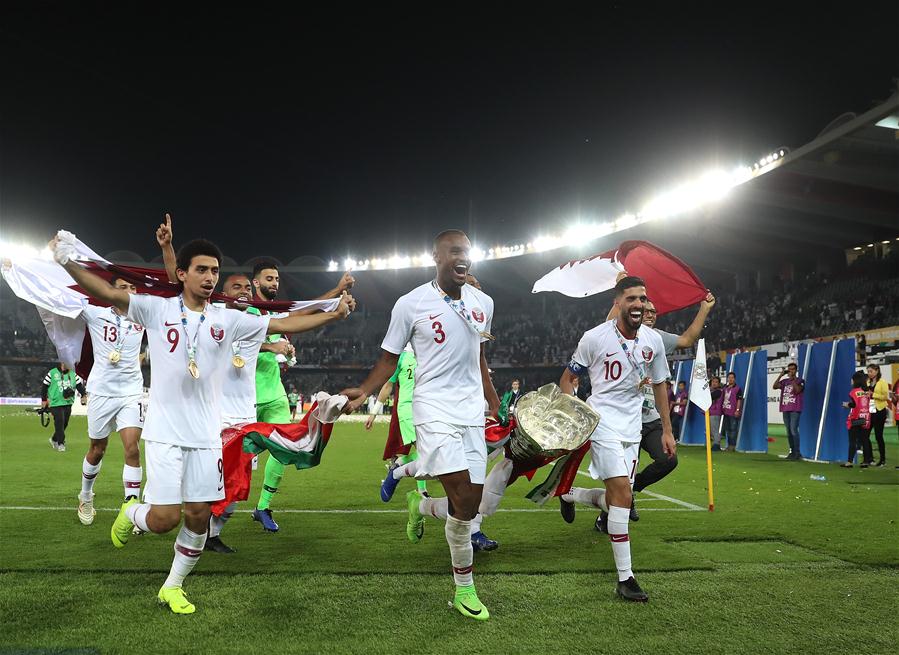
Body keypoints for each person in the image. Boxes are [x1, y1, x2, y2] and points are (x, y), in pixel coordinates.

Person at [51, 232, 354, 614]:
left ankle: (172, 586)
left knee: (198, 519)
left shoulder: (229, 319)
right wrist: (66, 260)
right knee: (163, 519)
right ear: (182, 274)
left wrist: (334, 314)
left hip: (207, 436)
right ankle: (131, 513)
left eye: (214, 271)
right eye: (202, 270)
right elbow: (109, 295)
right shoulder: (155, 309)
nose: (210, 277)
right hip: (164, 434)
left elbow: (285, 325)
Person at [341, 229, 499, 621]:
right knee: (463, 493)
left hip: (471, 412)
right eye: (454, 252)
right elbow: (388, 358)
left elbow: (479, 357)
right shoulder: (411, 304)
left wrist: (494, 401)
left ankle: (421, 504)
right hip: (432, 408)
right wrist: (364, 390)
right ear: (437, 257)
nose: (462, 258)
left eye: (467, 252)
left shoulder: (484, 302)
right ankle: (465, 590)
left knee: (470, 507)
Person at [557, 276, 674, 603]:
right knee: (624, 494)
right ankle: (625, 578)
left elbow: (661, 384)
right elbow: (569, 378)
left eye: (643, 299)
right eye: (633, 298)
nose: (640, 304)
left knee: (615, 500)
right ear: (618, 302)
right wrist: (575, 412)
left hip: (632, 426)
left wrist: (666, 429)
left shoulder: (653, 341)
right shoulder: (594, 338)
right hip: (602, 421)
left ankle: (570, 494)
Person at [248, 261, 355, 532]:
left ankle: (263, 506)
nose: (274, 283)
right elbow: (236, 343)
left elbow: (306, 309)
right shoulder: (245, 311)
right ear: (255, 283)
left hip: (274, 395)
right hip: (244, 398)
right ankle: (213, 514)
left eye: (276, 279)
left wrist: (336, 290)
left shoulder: (278, 313)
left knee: (285, 448)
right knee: (236, 454)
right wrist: (272, 346)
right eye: (268, 278)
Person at [607, 287, 715, 520]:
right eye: (646, 310)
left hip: (650, 418)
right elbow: (608, 324)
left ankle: (633, 491)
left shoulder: (657, 339)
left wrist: (704, 309)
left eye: (654, 312)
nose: (651, 314)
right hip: (625, 417)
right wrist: (619, 296)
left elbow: (687, 339)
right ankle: (605, 517)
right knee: (624, 472)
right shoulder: (618, 333)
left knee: (668, 460)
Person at [76, 276, 147, 526]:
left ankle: (131, 508)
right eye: (123, 287)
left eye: (133, 287)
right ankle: (85, 495)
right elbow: (60, 297)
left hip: (131, 392)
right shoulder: (95, 313)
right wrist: (20, 272)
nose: (129, 292)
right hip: (101, 392)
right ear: (110, 290)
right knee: (97, 449)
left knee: (133, 449)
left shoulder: (143, 315)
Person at [41, 362, 86, 452]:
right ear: (62, 362)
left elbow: (79, 386)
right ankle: (61, 443)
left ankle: (54, 439)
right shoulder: (52, 373)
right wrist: (44, 400)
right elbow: (44, 387)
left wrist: (83, 395)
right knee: (60, 421)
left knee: (64, 423)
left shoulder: (73, 374)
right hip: (55, 403)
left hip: (68, 403)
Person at [773, 362, 805, 460]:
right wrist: (780, 375)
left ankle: (797, 453)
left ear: (796, 370)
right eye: (789, 369)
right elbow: (774, 386)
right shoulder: (784, 381)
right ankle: (791, 451)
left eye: (793, 369)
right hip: (785, 408)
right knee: (788, 432)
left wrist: (793, 380)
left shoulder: (800, 380)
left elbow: (798, 390)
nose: (791, 371)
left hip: (795, 408)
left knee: (793, 430)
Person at [841, 371, 872, 468]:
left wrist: (847, 404)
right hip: (865, 418)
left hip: (855, 418)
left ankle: (849, 462)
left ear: (855, 380)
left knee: (852, 440)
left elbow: (854, 404)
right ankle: (866, 461)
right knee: (865, 440)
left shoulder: (854, 392)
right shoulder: (866, 392)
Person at [865, 364, 889, 467]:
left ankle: (882, 459)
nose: (869, 373)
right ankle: (869, 458)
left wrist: (873, 395)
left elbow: (885, 396)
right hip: (870, 410)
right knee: (865, 435)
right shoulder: (868, 382)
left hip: (880, 410)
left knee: (878, 436)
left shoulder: (882, 382)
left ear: (877, 371)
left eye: (871, 371)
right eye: (868, 371)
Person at [720, 372, 743, 451]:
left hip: (733, 412)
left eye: (732, 377)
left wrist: (737, 410)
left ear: (735, 379)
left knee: (733, 429)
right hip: (725, 411)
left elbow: (739, 400)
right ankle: (729, 445)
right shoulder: (724, 388)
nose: (730, 379)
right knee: (728, 429)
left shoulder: (738, 388)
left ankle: (732, 446)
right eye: (729, 377)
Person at [709, 376, 725, 451]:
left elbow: (710, 397)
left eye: (716, 382)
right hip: (710, 412)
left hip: (715, 412)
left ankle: (716, 444)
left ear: (719, 384)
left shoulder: (719, 391)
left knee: (715, 429)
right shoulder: (712, 391)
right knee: (711, 430)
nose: (714, 383)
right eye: (713, 382)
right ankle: (714, 443)